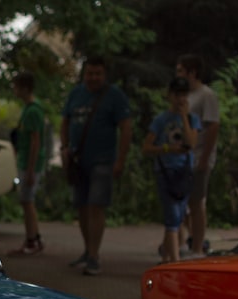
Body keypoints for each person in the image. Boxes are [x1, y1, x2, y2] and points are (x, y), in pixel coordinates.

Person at [60, 55, 132, 276]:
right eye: (89, 73)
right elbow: (65, 121)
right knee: (81, 206)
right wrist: (64, 148)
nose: (93, 78)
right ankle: (87, 249)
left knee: (95, 205)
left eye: (97, 73)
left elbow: (126, 127)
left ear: (104, 74)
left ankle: (94, 255)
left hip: (103, 160)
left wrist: (120, 159)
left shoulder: (114, 96)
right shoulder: (76, 94)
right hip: (78, 159)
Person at [143, 77, 200, 263]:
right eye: (177, 95)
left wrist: (184, 117)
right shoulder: (161, 120)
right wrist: (168, 149)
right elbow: (147, 147)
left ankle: (167, 259)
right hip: (165, 172)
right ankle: (175, 263)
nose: (180, 99)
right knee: (173, 217)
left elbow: (191, 143)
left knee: (180, 215)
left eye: (184, 95)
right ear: (170, 96)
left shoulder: (192, 119)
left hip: (184, 172)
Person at [176, 54, 220, 257]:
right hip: (183, 156)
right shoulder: (185, 96)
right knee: (182, 201)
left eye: (180, 71)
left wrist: (204, 159)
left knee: (197, 202)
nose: (178, 75)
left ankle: (197, 247)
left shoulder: (206, 95)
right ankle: (189, 238)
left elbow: (212, 127)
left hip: (199, 155)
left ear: (192, 73)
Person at [10, 71, 47, 255]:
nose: (14, 91)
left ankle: (31, 239)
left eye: (16, 87)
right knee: (26, 200)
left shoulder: (33, 110)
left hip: (29, 163)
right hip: (25, 160)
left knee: (27, 200)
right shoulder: (29, 108)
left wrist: (31, 169)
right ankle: (34, 236)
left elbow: (35, 140)